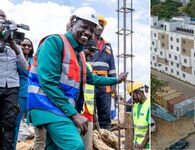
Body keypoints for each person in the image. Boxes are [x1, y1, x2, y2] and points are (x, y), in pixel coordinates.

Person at [26, 7, 127, 150]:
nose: (88, 32)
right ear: (73, 23)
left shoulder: (79, 55)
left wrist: (116, 80)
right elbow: (48, 82)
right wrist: (74, 114)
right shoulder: (54, 42)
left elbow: (93, 79)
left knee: (54, 147)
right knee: (75, 146)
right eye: (84, 27)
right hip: (47, 106)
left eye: (91, 30)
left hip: (60, 108)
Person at [0, 9, 28, 150]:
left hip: (12, 87)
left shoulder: (15, 45)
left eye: (3, 18)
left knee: (10, 122)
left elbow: (24, 67)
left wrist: (14, 47)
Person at [90, 15, 116, 130]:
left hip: (105, 83)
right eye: (98, 24)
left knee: (105, 113)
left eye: (102, 25)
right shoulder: (87, 42)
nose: (100, 27)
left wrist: (113, 84)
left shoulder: (107, 45)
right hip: (90, 81)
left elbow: (112, 67)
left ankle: (107, 135)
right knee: (90, 112)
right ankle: (92, 138)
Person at [14, 38, 34, 147]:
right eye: (24, 45)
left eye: (29, 46)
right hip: (20, 93)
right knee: (16, 123)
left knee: (36, 124)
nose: (26, 47)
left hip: (33, 95)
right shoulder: (15, 58)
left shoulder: (33, 60)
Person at [81, 39, 99, 150]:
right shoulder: (78, 65)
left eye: (95, 52)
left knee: (87, 146)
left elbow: (92, 95)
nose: (92, 54)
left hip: (89, 115)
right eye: (91, 50)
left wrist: (95, 116)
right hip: (78, 114)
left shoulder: (90, 68)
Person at [127, 81, 150, 149]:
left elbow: (150, 129)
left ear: (139, 92)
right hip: (137, 144)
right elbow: (131, 124)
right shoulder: (135, 106)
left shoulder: (148, 106)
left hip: (146, 146)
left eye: (133, 96)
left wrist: (142, 145)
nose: (132, 98)